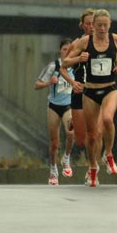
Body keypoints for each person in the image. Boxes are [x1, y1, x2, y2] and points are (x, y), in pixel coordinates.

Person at [63, 9, 117, 187]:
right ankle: (93, 167)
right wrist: (78, 59)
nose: (102, 28)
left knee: (107, 119)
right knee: (91, 136)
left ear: (110, 25)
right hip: (90, 91)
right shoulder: (84, 42)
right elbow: (65, 63)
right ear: (93, 26)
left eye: (105, 25)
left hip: (110, 88)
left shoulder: (116, 39)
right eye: (99, 25)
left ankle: (109, 154)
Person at [35, 39, 75, 186]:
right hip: (53, 106)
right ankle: (53, 169)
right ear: (60, 51)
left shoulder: (75, 67)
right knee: (54, 143)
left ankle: (66, 158)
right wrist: (48, 83)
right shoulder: (53, 66)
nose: (67, 52)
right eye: (64, 49)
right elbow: (37, 85)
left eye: (70, 50)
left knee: (71, 133)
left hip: (68, 106)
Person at [60, 9, 95, 176]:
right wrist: (73, 82)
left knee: (95, 133)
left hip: (97, 91)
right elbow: (63, 67)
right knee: (80, 140)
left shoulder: (104, 42)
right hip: (79, 90)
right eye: (87, 23)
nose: (91, 26)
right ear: (82, 25)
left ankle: (92, 168)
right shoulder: (76, 44)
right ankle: (74, 120)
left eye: (93, 23)